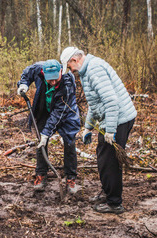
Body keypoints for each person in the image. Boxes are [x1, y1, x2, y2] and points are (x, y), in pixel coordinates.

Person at [60, 47, 137, 214]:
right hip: (114, 118)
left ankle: (114, 203)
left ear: (75, 60)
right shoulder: (87, 71)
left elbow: (111, 101)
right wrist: (88, 128)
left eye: (69, 66)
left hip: (119, 119)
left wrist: (110, 130)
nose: (70, 71)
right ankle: (108, 192)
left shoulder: (94, 70)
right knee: (103, 157)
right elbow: (95, 104)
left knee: (109, 161)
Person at [17, 59, 81, 193]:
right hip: (44, 110)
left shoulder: (68, 83)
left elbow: (59, 113)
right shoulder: (38, 69)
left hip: (65, 112)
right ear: (43, 73)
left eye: (55, 79)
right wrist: (23, 84)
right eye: (49, 79)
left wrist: (47, 133)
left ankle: (70, 177)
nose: (52, 82)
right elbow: (27, 73)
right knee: (41, 142)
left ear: (61, 71)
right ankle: (41, 174)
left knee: (69, 142)